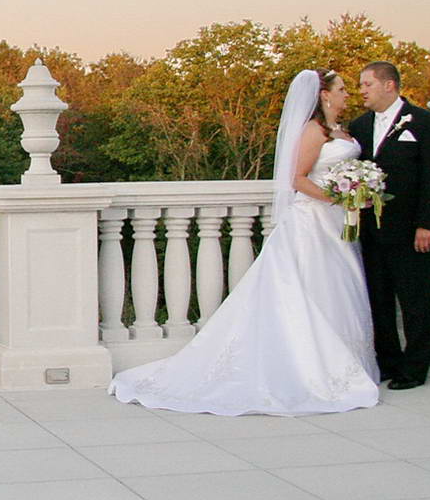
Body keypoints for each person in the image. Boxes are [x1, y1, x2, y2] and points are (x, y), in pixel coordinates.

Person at [109, 69, 379, 416]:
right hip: (312, 222)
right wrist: (340, 197)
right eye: (342, 89)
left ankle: (345, 363)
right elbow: (297, 178)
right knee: (310, 289)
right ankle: (309, 368)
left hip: (335, 224)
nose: (347, 95)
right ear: (324, 95)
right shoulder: (314, 131)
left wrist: (357, 191)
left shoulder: (343, 130)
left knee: (339, 287)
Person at [348, 61, 430, 389]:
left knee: (415, 300)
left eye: (367, 84)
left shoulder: (425, 123)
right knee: (378, 299)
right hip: (370, 229)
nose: (361, 91)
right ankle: (388, 362)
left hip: (410, 229)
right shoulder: (359, 126)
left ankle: (415, 368)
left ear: (389, 85)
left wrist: (427, 225)